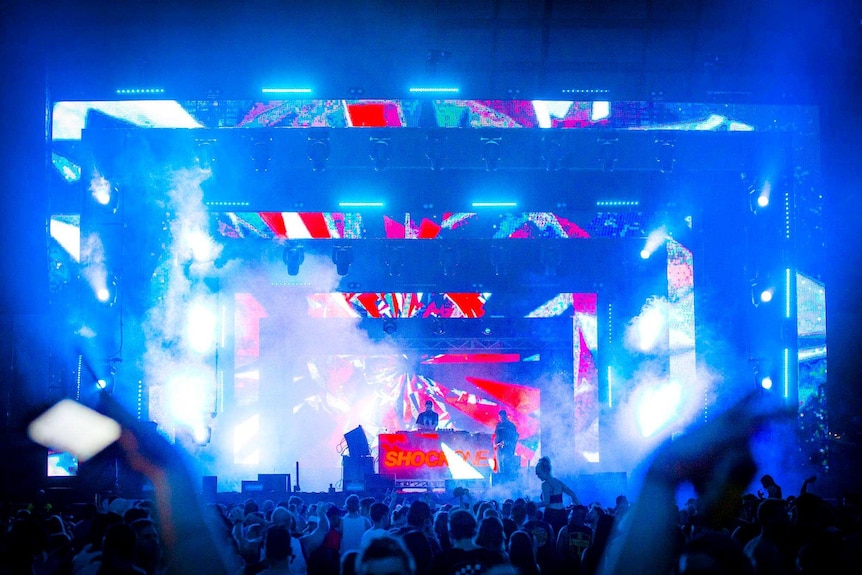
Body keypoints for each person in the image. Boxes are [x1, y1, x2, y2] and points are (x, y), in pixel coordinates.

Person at [534, 455, 579, 537]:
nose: (538, 476)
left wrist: (534, 505)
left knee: (551, 538)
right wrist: (581, 508)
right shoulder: (558, 482)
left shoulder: (545, 485)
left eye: (539, 473)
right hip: (562, 514)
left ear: (545, 471)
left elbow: (547, 502)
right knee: (562, 537)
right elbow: (572, 493)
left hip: (551, 515)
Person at [493, 410, 519, 480]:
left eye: (503, 417)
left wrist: (508, 443)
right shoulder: (498, 425)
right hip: (499, 447)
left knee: (507, 463)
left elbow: (514, 437)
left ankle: (507, 478)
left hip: (508, 448)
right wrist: (496, 444)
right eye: (500, 417)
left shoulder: (511, 425)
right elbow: (496, 435)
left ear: (506, 416)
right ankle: (500, 477)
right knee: (499, 463)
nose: (501, 418)